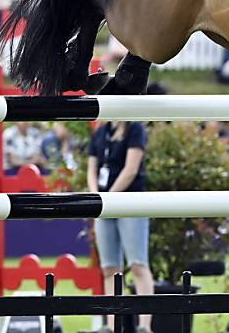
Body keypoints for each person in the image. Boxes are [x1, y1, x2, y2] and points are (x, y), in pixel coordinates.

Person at [87, 121, 154, 333]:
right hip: (104, 206)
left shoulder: (135, 128)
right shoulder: (100, 132)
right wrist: (97, 196)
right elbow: (92, 169)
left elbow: (131, 169)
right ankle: (112, 325)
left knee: (138, 265)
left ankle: (144, 326)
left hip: (130, 202)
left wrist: (108, 197)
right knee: (109, 269)